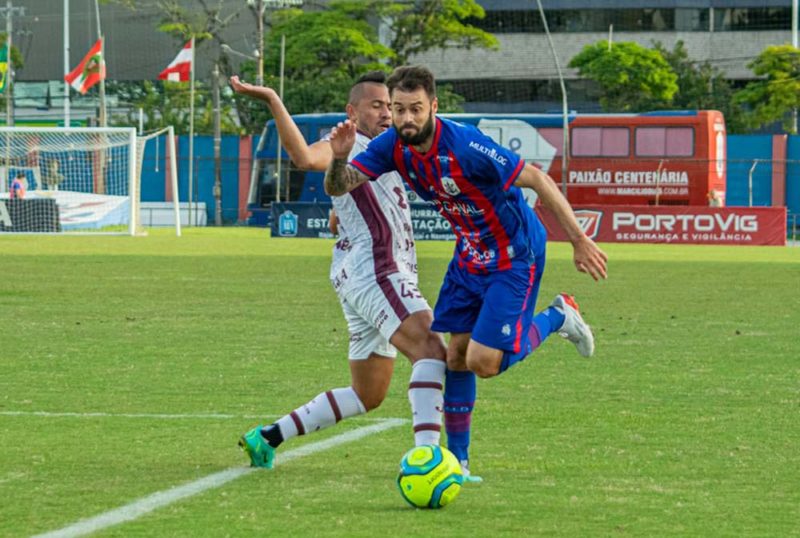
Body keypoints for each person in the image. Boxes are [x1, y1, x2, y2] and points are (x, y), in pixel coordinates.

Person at [230, 72, 486, 478]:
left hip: (362, 276)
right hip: (377, 272)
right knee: (433, 353)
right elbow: (303, 158)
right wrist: (274, 100)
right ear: (353, 112)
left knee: (369, 393)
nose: (387, 112)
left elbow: (348, 201)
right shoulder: (349, 143)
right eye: (376, 105)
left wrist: (343, 211)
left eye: (390, 105)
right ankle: (430, 462)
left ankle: (268, 437)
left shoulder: (386, 149)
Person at [324, 66, 607, 398]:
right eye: (398, 109)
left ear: (434, 106)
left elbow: (537, 179)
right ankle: (459, 453)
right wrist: (339, 158)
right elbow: (340, 186)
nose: (406, 118)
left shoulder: (466, 145)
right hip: (470, 254)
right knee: (455, 356)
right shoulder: (391, 145)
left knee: (483, 361)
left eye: (415, 109)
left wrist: (578, 239)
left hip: (514, 251)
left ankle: (558, 317)